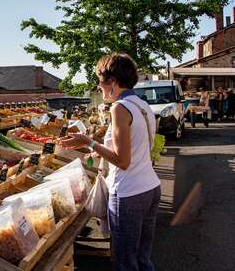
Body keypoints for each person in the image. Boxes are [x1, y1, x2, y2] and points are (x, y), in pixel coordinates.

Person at [60, 53, 160, 271]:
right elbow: (138, 147)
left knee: (126, 262)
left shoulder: (119, 108)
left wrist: (89, 143)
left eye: (100, 81)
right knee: (143, 259)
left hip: (129, 193)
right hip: (150, 187)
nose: (99, 87)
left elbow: (123, 161)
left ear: (113, 82)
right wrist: (99, 152)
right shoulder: (143, 106)